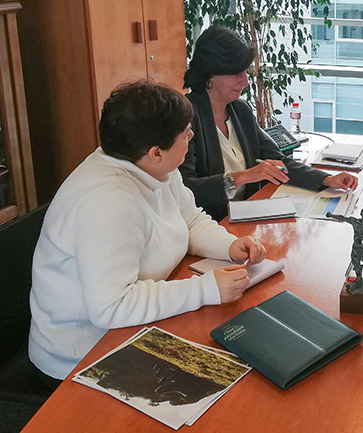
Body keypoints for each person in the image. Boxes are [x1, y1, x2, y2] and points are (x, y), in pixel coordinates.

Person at [29, 81, 267, 384]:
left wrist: (230, 245)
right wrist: (205, 289)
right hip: (83, 358)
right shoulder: (110, 200)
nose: (191, 138)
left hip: (132, 327)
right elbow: (111, 307)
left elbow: (189, 219)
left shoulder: (154, 166)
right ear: (156, 152)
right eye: (185, 135)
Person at [180, 26, 357, 221]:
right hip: (210, 224)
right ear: (210, 74)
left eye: (246, 73)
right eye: (237, 74)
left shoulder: (240, 110)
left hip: (247, 217)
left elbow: (278, 161)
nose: (245, 82)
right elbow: (186, 189)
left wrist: (326, 179)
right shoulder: (184, 117)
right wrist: (244, 176)